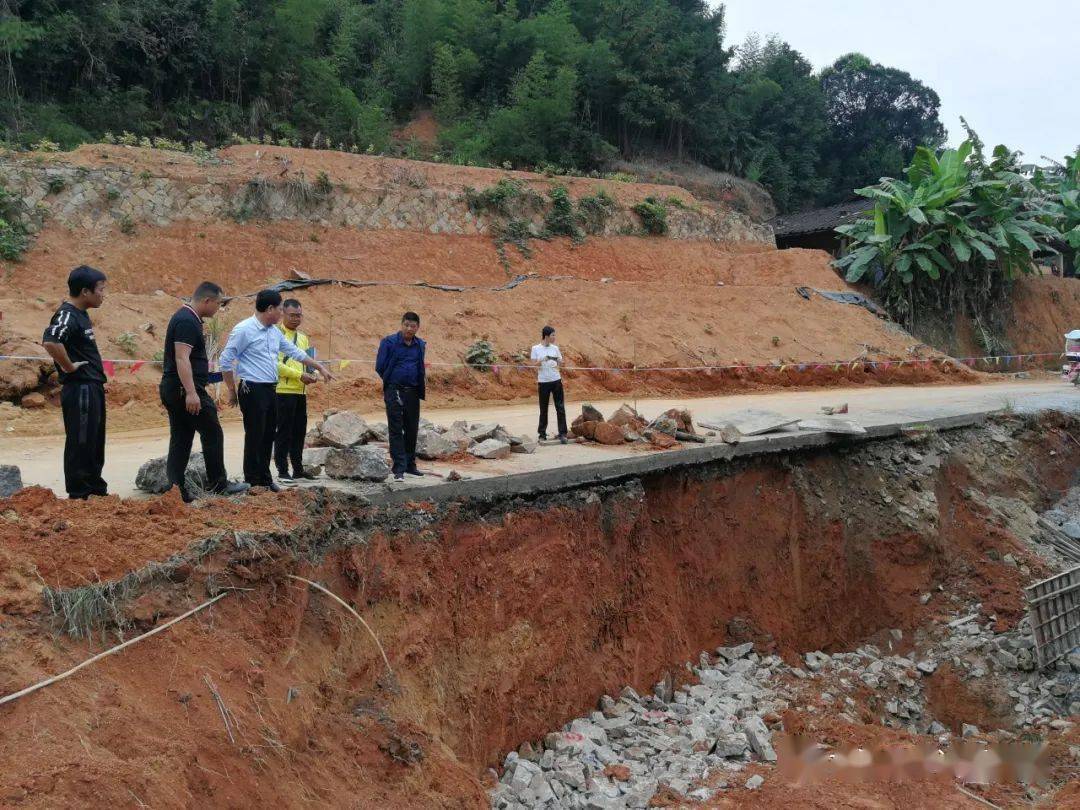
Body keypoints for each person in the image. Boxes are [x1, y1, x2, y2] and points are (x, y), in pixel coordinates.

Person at [219, 289, 333, 491]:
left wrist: (320, 367)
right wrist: (231, 389)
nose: (281, 314)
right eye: (280, 310)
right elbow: (225, 361)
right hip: (251, 388)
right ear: (270, 308)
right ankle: (252, 481)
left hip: (271, 389)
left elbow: (295, 352)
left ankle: (265, 477)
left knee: (268, 434)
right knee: (255, 434)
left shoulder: (273, 332)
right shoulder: (244, 329)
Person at [159, 282, 249, 503]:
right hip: (183, 389)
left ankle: (175, 491)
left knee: (181, 438)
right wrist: (191, 392)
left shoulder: (188, 319)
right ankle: (218, 483)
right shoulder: (186, 321)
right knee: (212, 431)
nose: (219, 308)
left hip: (177, 387)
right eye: (218, 304)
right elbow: (182, 358)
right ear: (207, 301)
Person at [41, 265, 109, 499]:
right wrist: (69, 366)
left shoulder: (81, 314)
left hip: (92, 387)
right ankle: (80, 494)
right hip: (80, 388)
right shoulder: (67, 314)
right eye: (100, 289)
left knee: (94, 441)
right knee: (81, 441)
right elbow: (50, 341)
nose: (103, 294)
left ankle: (96, 490)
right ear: (85, 292)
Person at [375, 312, 426, 481]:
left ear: (417, 327)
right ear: (401, 324)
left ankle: (410, 465)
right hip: (394, 390)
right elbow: (380, 366)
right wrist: (392, 381)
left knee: (412, 428)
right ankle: (399, 468)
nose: (409, 329)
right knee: (396, 429)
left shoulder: (420, 344)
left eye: (413, 326)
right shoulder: (389, 342)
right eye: (406, 325)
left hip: (412, 391)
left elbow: (419, 366)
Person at [274, 298, 318, 481]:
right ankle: (282, 471)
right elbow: (274, 364)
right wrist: (297, 375)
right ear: (283, 313)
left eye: (299, 315)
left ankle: (298, 469)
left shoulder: (303, 337)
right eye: (292, 315)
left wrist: (312, 373)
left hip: (301, 392)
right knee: (283, 432)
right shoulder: (275, 333)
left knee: (299, 432)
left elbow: (308, 361)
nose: (295, 319)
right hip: (283, 391)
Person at [531, 325, 568, 443]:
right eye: (553, 335)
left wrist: (557, 360)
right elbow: (533, 365)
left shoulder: (555, 348)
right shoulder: (535, 348)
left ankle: (563, 433)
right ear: (546, 336)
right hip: (543, 382)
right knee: (543, 408)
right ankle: (542, 434)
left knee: (560, 407)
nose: (554, 337)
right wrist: (543, 359)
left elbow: (562, 363)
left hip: (556, 380)